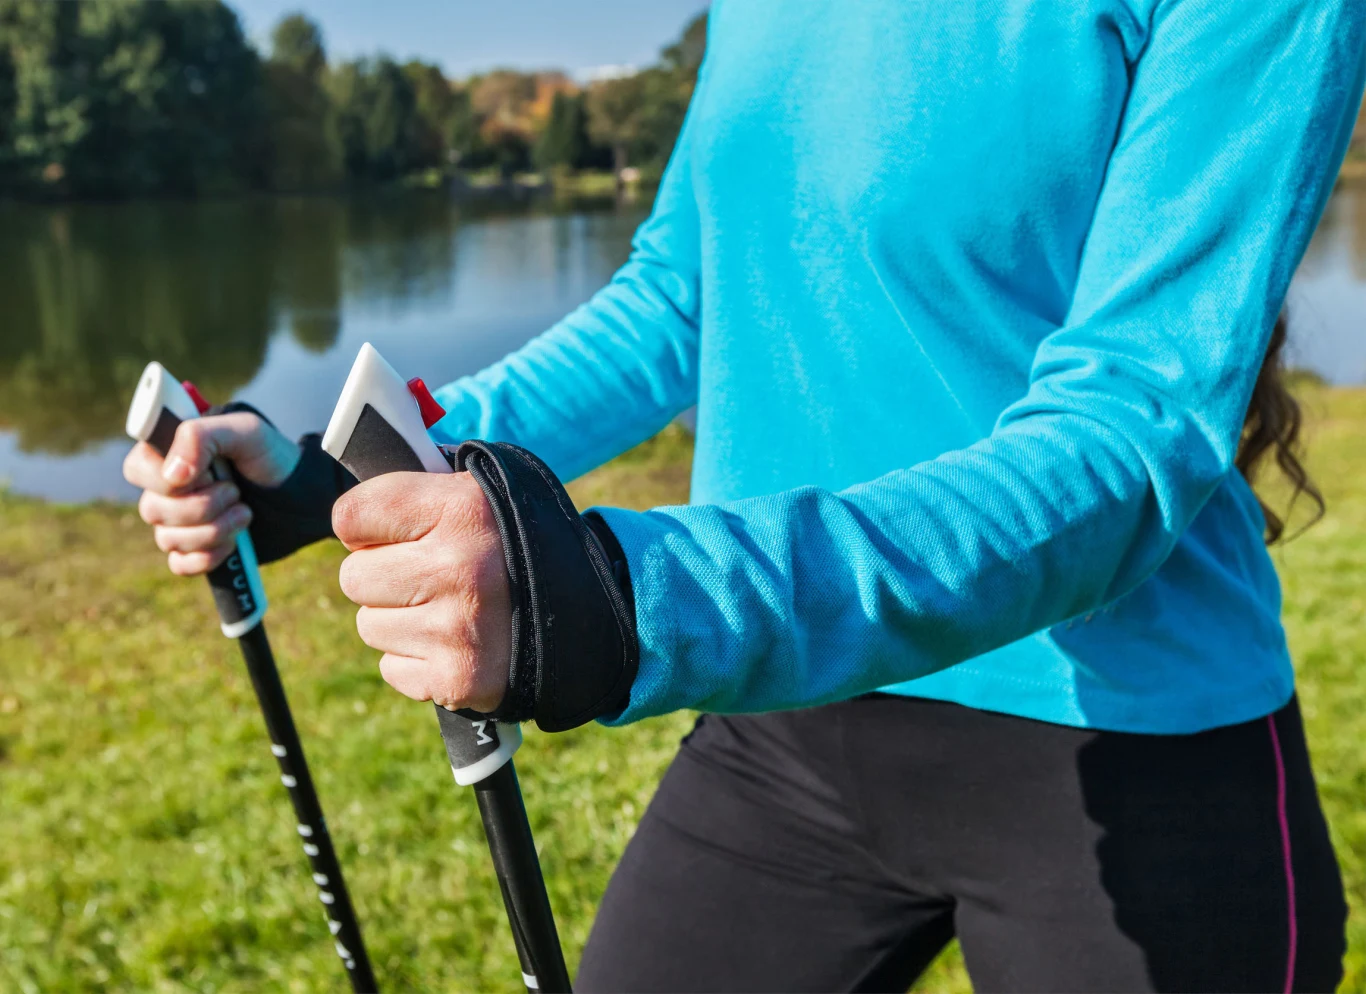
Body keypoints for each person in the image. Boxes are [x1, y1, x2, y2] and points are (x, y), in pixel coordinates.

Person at [124, 1, 1366, 990]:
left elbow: (1129, 428)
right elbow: (674, 302)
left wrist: (636, 598)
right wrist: (332, 478)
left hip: (1132, 741)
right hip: (787, 737)